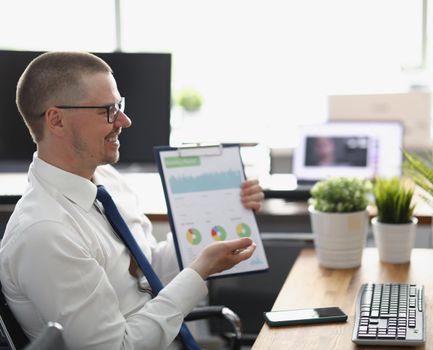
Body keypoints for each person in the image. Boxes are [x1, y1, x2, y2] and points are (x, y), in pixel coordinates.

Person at [0, 51, 264, 349]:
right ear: (57, 120)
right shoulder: (44, 233)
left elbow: (148, 270)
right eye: (107, 110)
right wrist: (198, 271)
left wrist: (228, 210)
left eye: (119, 106)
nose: (124, 120)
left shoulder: (109, 182)